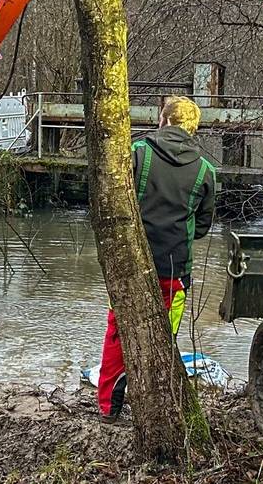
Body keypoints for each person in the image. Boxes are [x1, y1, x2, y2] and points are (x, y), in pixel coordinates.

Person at [96, 95, 217, 420]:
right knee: (164, 337)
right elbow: (202, 227)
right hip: (174, 269)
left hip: (131, 262)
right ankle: (155, 409)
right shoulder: (206, 170)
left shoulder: (137, 152)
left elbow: (114, 198)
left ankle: (109, 407)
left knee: (118, 332)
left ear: (163, 120)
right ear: (193, 129)